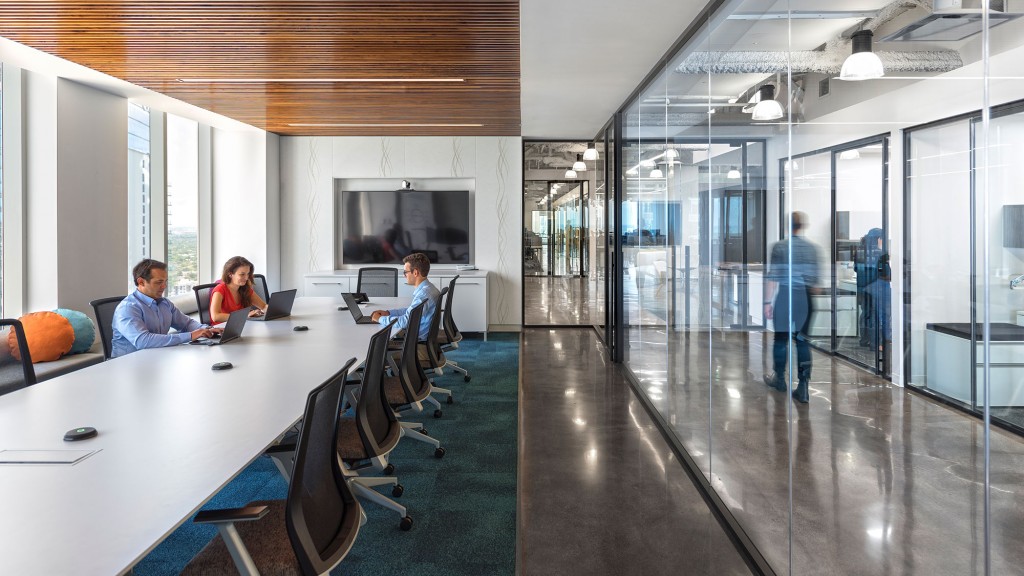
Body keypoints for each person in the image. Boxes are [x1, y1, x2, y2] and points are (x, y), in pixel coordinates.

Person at [763, 212, 821, 403]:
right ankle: (803, 386)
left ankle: (779, 379)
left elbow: (772, 278)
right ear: (802, 226)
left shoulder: (780, 247)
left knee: (780, 339)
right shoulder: (813, 249)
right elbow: (816, 286)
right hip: (805, 297)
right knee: (803, 341)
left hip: (785, 295)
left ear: (788, 226)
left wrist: (767, 303)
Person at [111, 259, 220, 358]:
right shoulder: (127, 308)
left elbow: (186, 324)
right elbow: (143, 341)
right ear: (141, 282)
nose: (164, 286)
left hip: (157, 358)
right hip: (128, 364)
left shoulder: (164, 303)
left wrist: (207, 329)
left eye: (165, 281)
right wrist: (191, 335)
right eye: (159, 282)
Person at [370, 252, 439, 342]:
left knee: (377, 341)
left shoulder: (423, 294)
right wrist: (388, 313)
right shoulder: (429, 288)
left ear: (415, 273)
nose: (404, 275)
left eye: (405, 272)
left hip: (416, 341)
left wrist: (380, 319)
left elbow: (405, 322)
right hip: (418, 335)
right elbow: (411, 312)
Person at [209, 256, 268, 322]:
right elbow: (215, 316)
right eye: (242, 274)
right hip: (222, 328)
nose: (246, 278)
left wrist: (273, 310)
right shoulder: (220, 289)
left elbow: (263, 306)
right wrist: (245, 316)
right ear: (230, 274)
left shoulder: (245, 288)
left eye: (248, 274)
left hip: (241, 325)